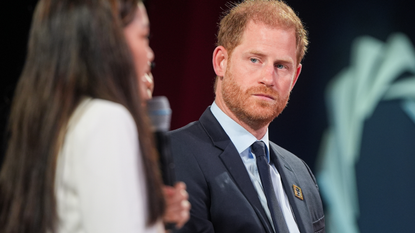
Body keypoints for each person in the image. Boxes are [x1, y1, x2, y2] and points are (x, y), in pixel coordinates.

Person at [0, 0, 189, 232]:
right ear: (109, 42)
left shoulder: (56, 121)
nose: (150, 54)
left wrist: (151, 213)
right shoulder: (106, 120)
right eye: (144, 37)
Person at [169, 0, 325, 233]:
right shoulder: (175, 154)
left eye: (281, 66)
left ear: (295, 77)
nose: (268, 78)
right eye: (255, 60)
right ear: (221, 62)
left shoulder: (301, 174)